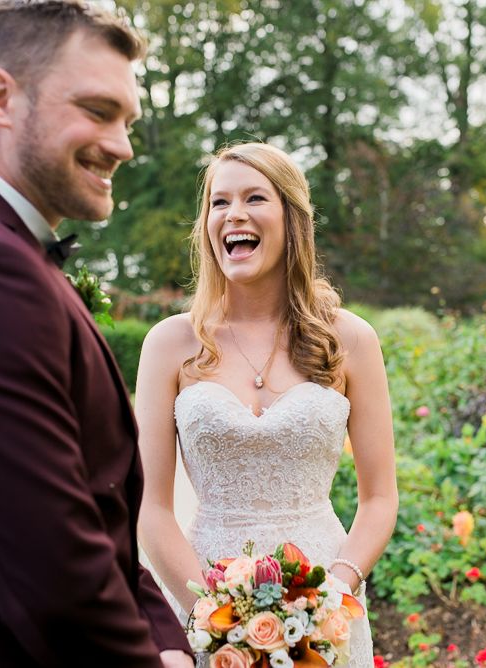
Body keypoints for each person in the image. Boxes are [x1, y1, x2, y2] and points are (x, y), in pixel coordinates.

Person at [0, 1, 193, 666]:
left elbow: (99, 516)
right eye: (98, 111)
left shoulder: (4, 250)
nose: (124, 145)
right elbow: (56, 572)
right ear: (2, 98)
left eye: (127, 121)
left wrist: (170, 642)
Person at [136, 142, 398, 665]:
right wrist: (209, 616)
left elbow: (379, 500)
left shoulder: (351, 340)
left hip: (326, 602)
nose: (233, 214)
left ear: (291, 220)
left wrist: (335, 596)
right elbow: (152, 508)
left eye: (255, 198)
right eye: (218, 202)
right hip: (202, 597)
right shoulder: (169, 344)